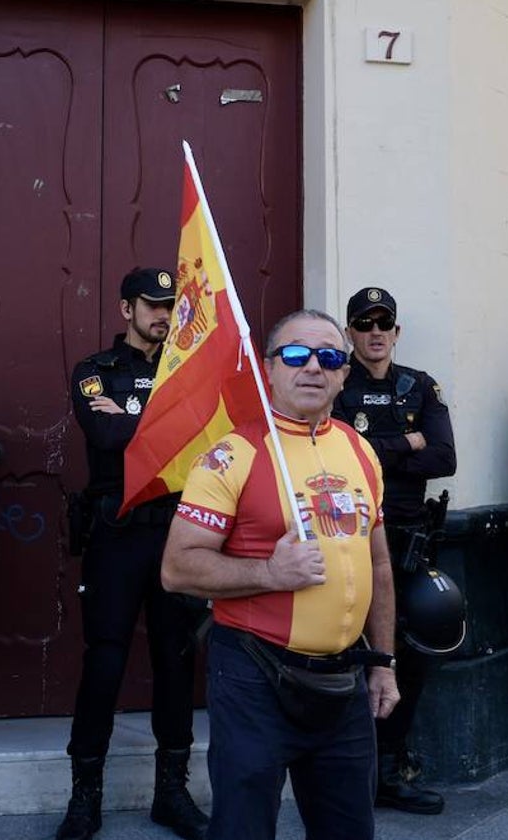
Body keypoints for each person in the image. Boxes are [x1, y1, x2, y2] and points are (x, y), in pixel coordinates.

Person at [162, 309, 400, 840]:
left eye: (330, 357)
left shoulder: (361, 451)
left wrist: (383, 663)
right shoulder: (231, 455)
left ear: (344, 373)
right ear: (268, 368)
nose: (313, 367)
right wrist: (270, 571)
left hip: (344, 682)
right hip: (255, 677)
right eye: (296, 355)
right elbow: (177, 568)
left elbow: (379, 564)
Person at [56, 268, 208, 840]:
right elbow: (105, 438)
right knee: (105, 661)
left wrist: (138, 423)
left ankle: (172, 792)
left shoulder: (189, 369)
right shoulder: (96, 371)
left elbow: (209, 435)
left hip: (178, 531)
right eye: (151, 304)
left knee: (176, 661)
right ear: (127, 309)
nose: (162, 314)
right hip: (117, 533)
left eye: (169, 305)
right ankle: (84, 796)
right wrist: (173, 426)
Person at [331, 287, 455, 815]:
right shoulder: (336, 383)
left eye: (384, 323)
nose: (375, 332)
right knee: (351, 656)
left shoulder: (420, 387)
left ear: (397, 331)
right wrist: (406, 445)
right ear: (351, 333)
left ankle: (393, 765)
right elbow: (337, 454)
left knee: (413, 657)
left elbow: (445, 457)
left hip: (410, 540)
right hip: (351, 538)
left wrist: (377, 455)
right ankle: (353, 770)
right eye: (364, 323)